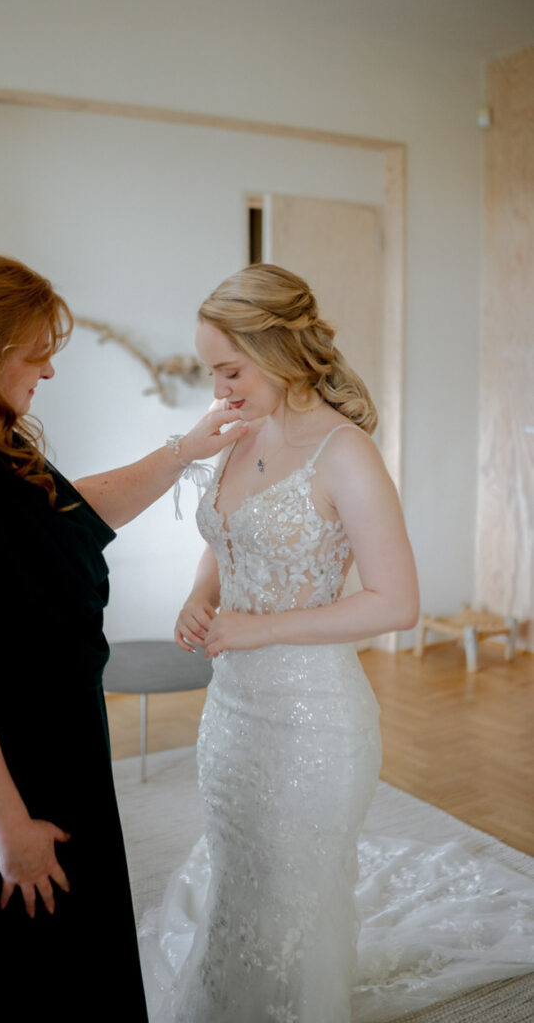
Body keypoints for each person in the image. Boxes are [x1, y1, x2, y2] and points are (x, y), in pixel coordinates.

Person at [0, 249, 247, 1022]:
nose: (49, 371)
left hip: (13, 742)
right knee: (18, 979)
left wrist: (185, 450)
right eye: (36, 354)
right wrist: (8, 829)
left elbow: (64, 515)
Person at [139, 263, 419, 1023]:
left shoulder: (345, 453)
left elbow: (397, 602)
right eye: (212, 372)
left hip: (314, 722)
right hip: (232, 712)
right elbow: (227, 536)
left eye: (231, 370)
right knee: (241, 880)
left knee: (293, 898)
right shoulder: (236, 431)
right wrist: (201, 596)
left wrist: (258, 628)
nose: (220, 389)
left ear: (280, 350)